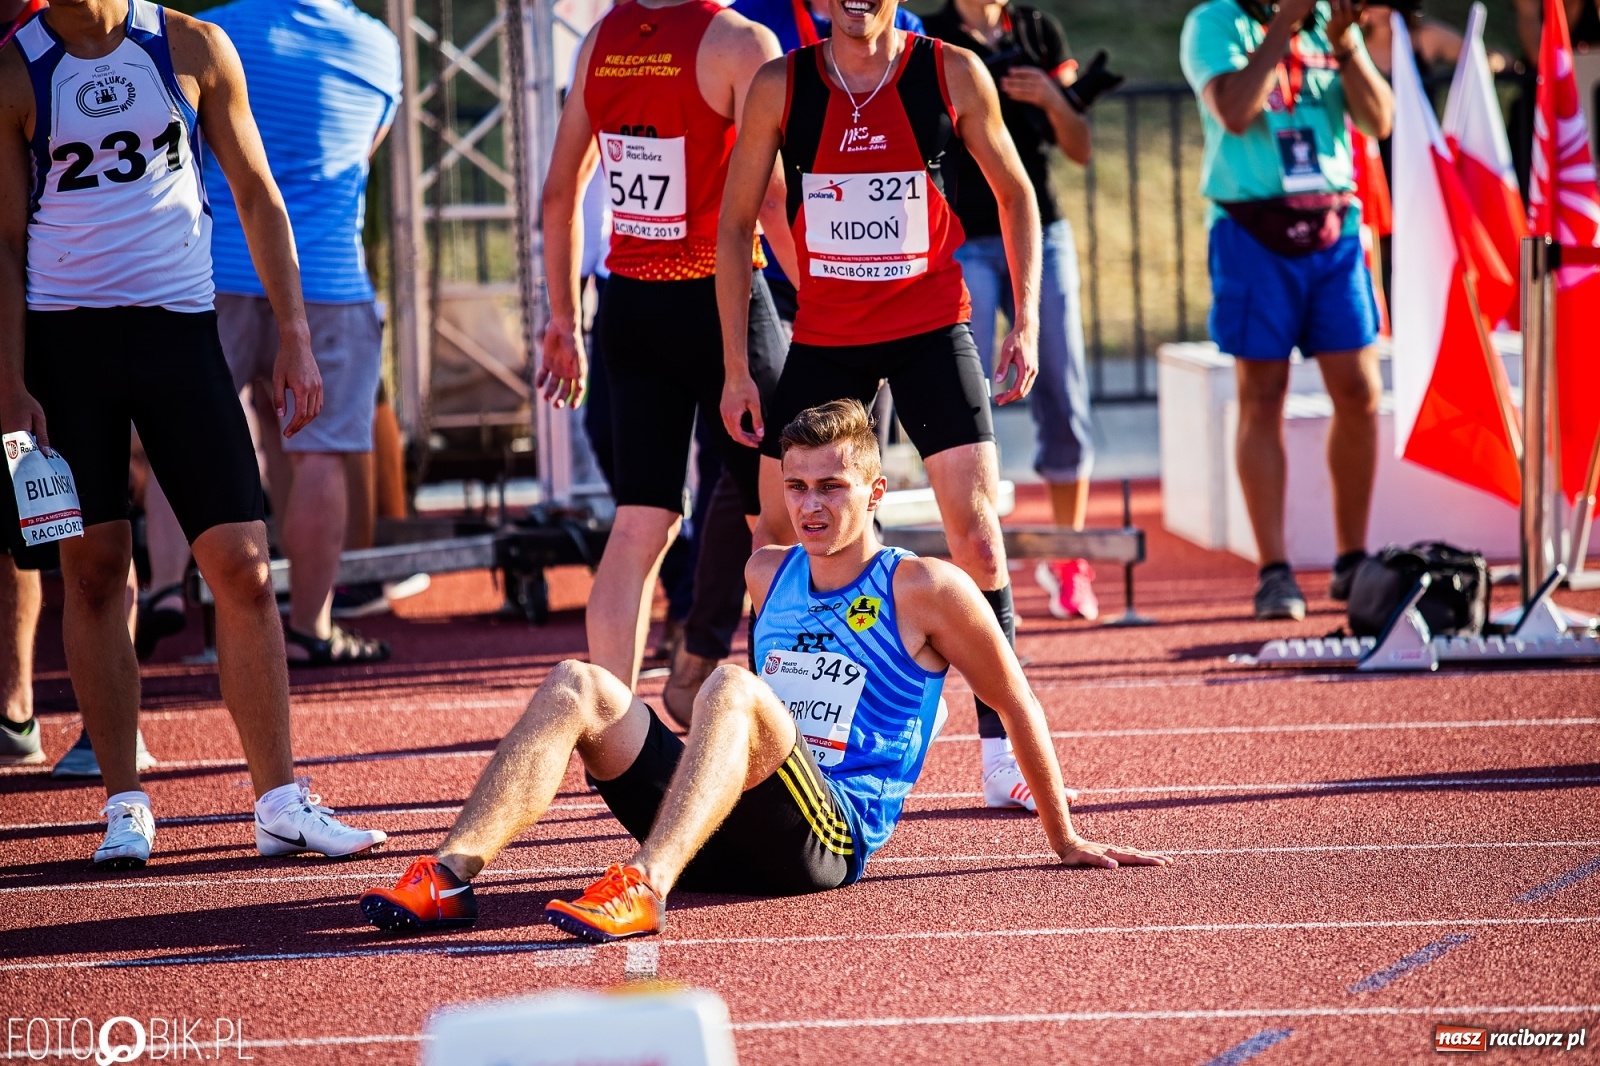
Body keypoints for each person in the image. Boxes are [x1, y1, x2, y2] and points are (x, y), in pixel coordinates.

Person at [359, 400, 1169, 938]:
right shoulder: (766, 572)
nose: (813, 506)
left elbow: (1015, 700)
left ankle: (645, 883)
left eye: (833, 487)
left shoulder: (924, 587)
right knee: (580, 683)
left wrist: (1062, 836)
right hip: (719, 826)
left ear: (878, 490)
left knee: (734, 686)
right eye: (799, 488)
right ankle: (451, 873)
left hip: (822, 840)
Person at [0, 0, 386, 866]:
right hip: (66, 350)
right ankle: (124, 804)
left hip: (181, 333)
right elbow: (3, 242)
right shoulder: (14, 71)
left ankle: (280, 802)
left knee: (244, 569)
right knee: (92, 573)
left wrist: (294, 334)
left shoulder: (193, 46)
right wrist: (11, 385)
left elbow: (254, 189)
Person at [714, 0, 1053, 811]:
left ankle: (1003, 747)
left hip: (933, 324)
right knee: (777, 535)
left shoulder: (951, 72)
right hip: (828, 336)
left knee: (977, 538)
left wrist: (1028, 316)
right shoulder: (778, 85)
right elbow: (732, 229)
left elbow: (1017, 196)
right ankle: (775, 746)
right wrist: (736, 365)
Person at [537, 0, 796, 690]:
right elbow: (770, 200)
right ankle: (795, 717)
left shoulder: (600, 40)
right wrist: (829, 298)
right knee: (777, 524)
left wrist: (563, 320)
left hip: (631, 304)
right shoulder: (741, 42)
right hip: (724, 302)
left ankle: (612, 730)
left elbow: (559, 194)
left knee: (638, 526)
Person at [199, 0, 399, 666]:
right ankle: (311, 625)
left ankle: (177, 599)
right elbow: (362, 150)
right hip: (327, 280)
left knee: (185, 443)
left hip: (217, 269)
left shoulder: (211, 32)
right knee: (320, 452)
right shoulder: (377, 46)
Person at [1180, 0, 1392, 620]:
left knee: (1359, 390)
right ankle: (1275, 571)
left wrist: (1347, 43)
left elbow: (1379, 121)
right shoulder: (1214, 23)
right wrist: (1283, 27)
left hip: (1333, 223)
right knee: (1263, 394)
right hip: (1251, 229)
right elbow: (1235, 110)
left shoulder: (1330, 21)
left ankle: (1353, 559)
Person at [924, 0, 1120, 622]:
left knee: (1064, 390)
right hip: (958, 235)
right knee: (963, 398)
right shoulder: (928, 35)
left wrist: (1054, 100)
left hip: (1039, 234)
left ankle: (1068, 563)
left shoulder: (1038, 29)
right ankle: (967, 565)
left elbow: (1081, 148)